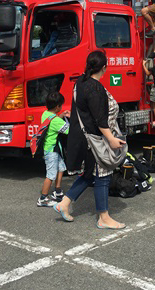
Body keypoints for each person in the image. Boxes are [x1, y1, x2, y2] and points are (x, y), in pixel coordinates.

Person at [54, 51, 126, 229]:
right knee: (103, 175)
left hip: (84, 137)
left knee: (88, 174)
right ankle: (103, 217)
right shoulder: (94, 87)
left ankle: (64, 203)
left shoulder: (81, 81)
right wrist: (111, 139)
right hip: (95, 138)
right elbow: (99, 118)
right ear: (104, 67)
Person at [38, 91, 70, 207]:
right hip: (51, 151)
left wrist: (61, 116)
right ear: (58, 106)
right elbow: (69, 131)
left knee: (61, 168)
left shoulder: (46, 114)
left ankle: (57, 191)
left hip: (53, 149)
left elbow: (53, 120)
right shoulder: (56, 121)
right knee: (51, 175)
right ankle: (43, 198)